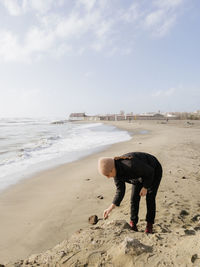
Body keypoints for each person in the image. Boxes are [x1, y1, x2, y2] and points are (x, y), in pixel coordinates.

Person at [98, 152, 162, 234]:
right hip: (138, 175)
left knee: (150, 198)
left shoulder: (130, 165)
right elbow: (120, 191)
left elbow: (150, 172)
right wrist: (110, 208)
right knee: (134, 198)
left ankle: (149, 225)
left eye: (107, 175)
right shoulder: (116, 173)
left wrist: (145, 187)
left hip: (153, 169)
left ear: (112, 169)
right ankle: (133, 223)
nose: (108, 177)